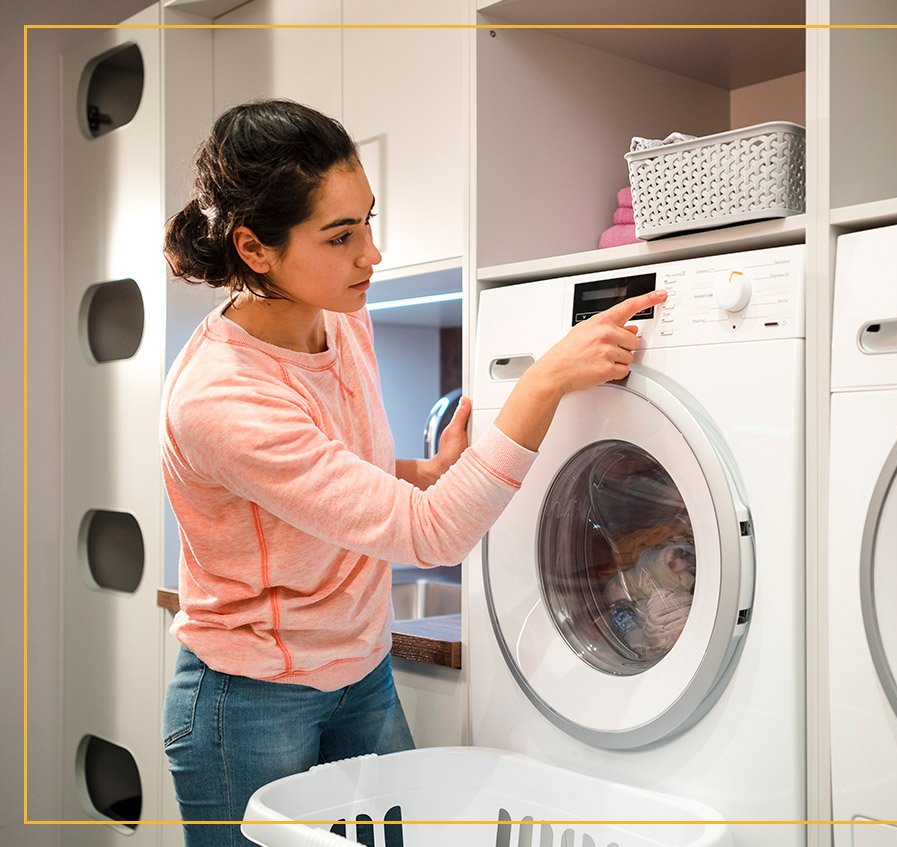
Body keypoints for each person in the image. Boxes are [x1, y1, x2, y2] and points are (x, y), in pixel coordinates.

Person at [159, 98, 665, 846]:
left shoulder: (339, 309)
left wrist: (422, 471)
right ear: (254, 249)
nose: (371, 253)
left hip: (359, 670)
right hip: (250, 699)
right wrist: (543, 381)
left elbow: (325, 474)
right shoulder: (221, 396)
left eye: (368, 220)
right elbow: (430, 538)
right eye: (340, 236)